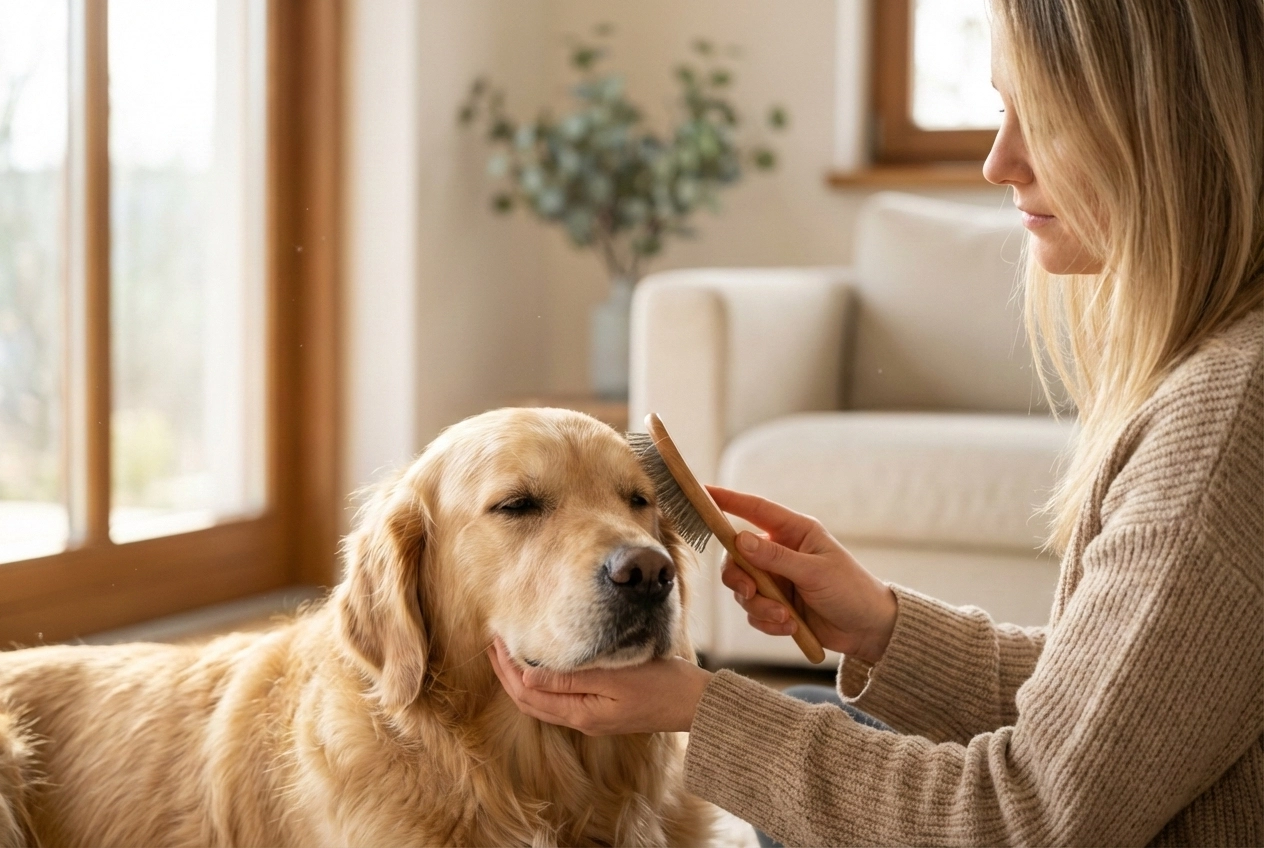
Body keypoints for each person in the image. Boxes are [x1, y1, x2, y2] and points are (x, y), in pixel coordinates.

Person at [489, 0, 1264, 843]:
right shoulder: (1228, 369)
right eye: (1003, 111)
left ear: (1168, 125)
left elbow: (1029, 820)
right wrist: (885, 629)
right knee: (812, 710)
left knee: (797, 748)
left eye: (1044, 119)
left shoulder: (1221, 426)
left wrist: (704, 712)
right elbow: (1126, 703)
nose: (999, 163)